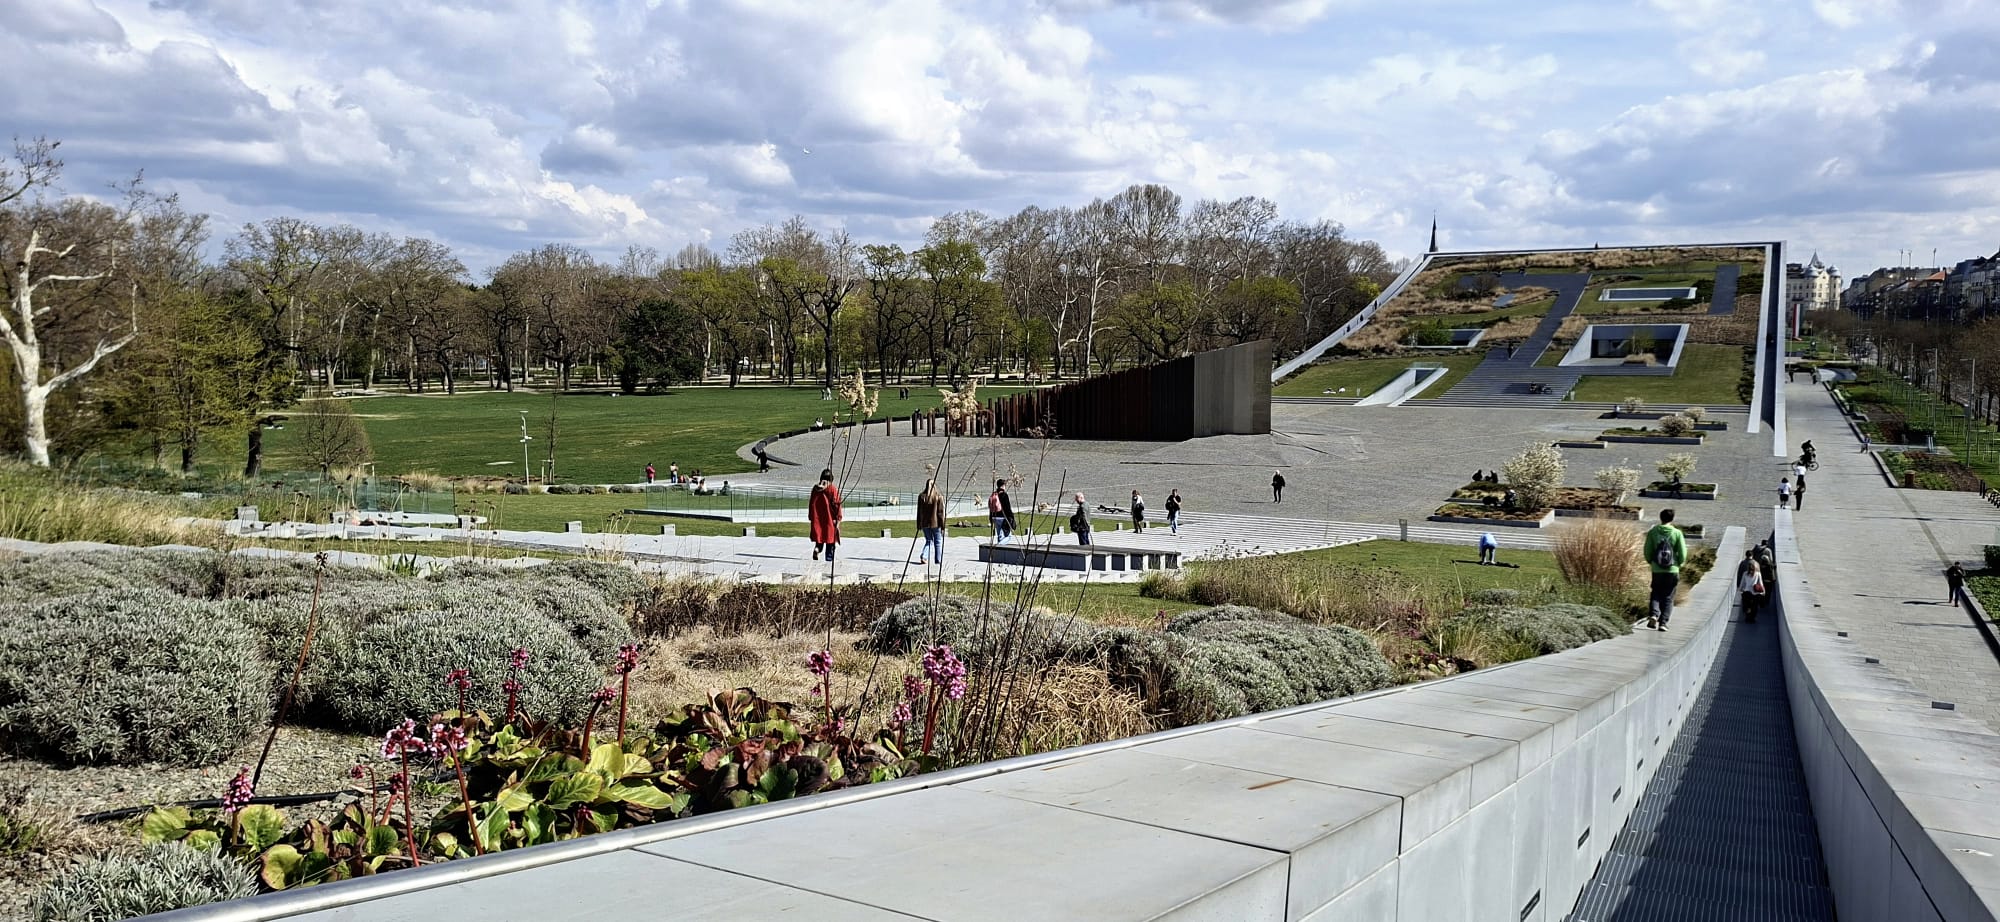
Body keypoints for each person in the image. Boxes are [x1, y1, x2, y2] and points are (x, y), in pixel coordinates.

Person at [1642, 508, 1687, 630]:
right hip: (1672, 570)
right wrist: (1679, 564)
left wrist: (1652, 562)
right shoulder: (1677, 533)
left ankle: (1654, 615)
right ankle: (1663, 623)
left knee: (1656, 593)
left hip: (1657, 570)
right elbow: (1682, 553)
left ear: (1660, 517)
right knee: (1668, 596)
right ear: (1672, 519)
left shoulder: (1653, 532)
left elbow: (1647, 551)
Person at [809, 468, 842, 562]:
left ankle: (817, 549)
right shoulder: (832, 489)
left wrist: (811, 516)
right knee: (830, 540)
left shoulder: (815, 489)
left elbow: (811, 503)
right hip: (829, 520)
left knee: (819, 539)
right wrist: (838, 518)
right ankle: (829, 559)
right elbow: (837, 504)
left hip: (817, 519)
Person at [916, 478, 946, 566]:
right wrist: (943, 526)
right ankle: (938, 560)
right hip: (935, 524)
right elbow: (940, 513)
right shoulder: (938, 497)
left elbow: (919, 511)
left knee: (929, 540)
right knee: (938, 541)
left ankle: (924, 556)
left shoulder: (921, 496)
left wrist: (919, 524)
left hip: (925, 523)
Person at [1737, 551, 1766, 623]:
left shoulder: (1745, 573)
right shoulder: (1758, 573)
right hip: (1755, 592)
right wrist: (1763, 591)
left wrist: (1740, 589)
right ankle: (1752, 618)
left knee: (1747, 605)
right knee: (1755, 606)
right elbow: (1761, 583)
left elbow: (1742, 582)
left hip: (1747, 592)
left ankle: (1747, 617)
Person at [988, 479, 1015, 544]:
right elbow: (1007, 508)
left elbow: (991, 507)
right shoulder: (1004, 495)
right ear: (1003, 485)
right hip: (1003, 518)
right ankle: (998, 546)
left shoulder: (994, 494)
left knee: (1000, 536)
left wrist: (991, 517)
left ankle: (998, 551)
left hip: (994, 517)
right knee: (1008, 536)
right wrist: (1011, 517)